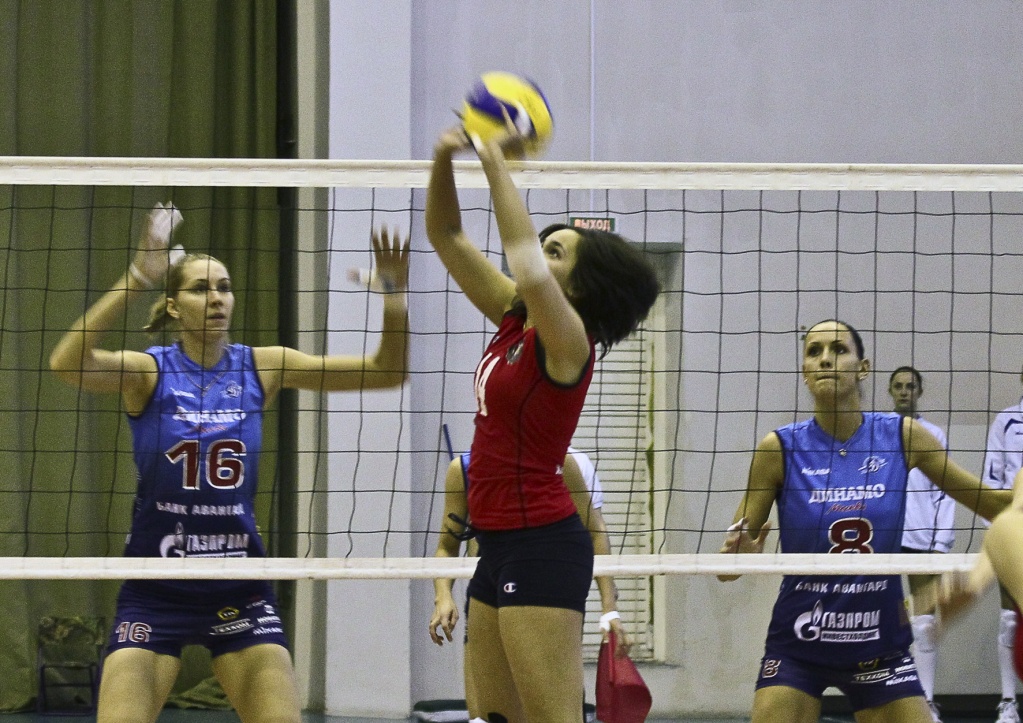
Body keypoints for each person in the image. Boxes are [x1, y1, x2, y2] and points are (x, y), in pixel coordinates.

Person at [49, 203, 409, 723]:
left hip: (240, 585)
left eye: (224, 287)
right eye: (200, 289)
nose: (217, 298)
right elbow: (67, 364)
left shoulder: (263, 366)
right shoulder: (149, 373)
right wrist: (139, 277)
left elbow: (385, 373)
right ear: (173, 307)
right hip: (155, 587)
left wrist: (395, 298)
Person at [425, 121, 659, 723]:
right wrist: (445, 159)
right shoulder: (515, 318)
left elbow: (527, 268)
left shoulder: (569, 342)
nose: (541, 253)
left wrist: (494, 159)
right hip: (495, 542)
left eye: (558, 251)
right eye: (544, 243)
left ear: (579, 287)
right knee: (493, 719)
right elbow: (446, 235)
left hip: (542, 545)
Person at [719, 320, 1010, 723]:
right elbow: (727, 569)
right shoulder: (779, 448)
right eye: (814, 351)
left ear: (863, 368)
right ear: (804, 371)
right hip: (800, 643)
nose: (825, 359)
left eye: (838, 349)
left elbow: (995, 506)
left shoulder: (903, 436)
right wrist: (739, 556)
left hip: (879, 645)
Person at [429, 448, 633, 717]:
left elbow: (595, 532)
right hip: (489, 590)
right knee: (485, 716)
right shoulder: (465, 469)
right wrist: (443, 595)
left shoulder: (563, 462)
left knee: (553, 710)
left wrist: (610, 607)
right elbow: (446, 546)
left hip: (546, 591)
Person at [890, 366, 955, 722]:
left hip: (921, 538)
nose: (904, 391)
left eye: (910, 386)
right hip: (884, 540)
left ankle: (926, 702)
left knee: (924, 623)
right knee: (883, 622)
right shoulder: (878, 431)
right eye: (898, 386)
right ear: (890, 391)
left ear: (919, 392)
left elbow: (945, 492)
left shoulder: (934, 434)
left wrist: (940, 542)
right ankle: (887, 702)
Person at [981, 373, 1023, 723]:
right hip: (1015, 534)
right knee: (1010, 617)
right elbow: (991, 480)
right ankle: (1009, 702)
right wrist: (997, 535)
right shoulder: (1007, 421)